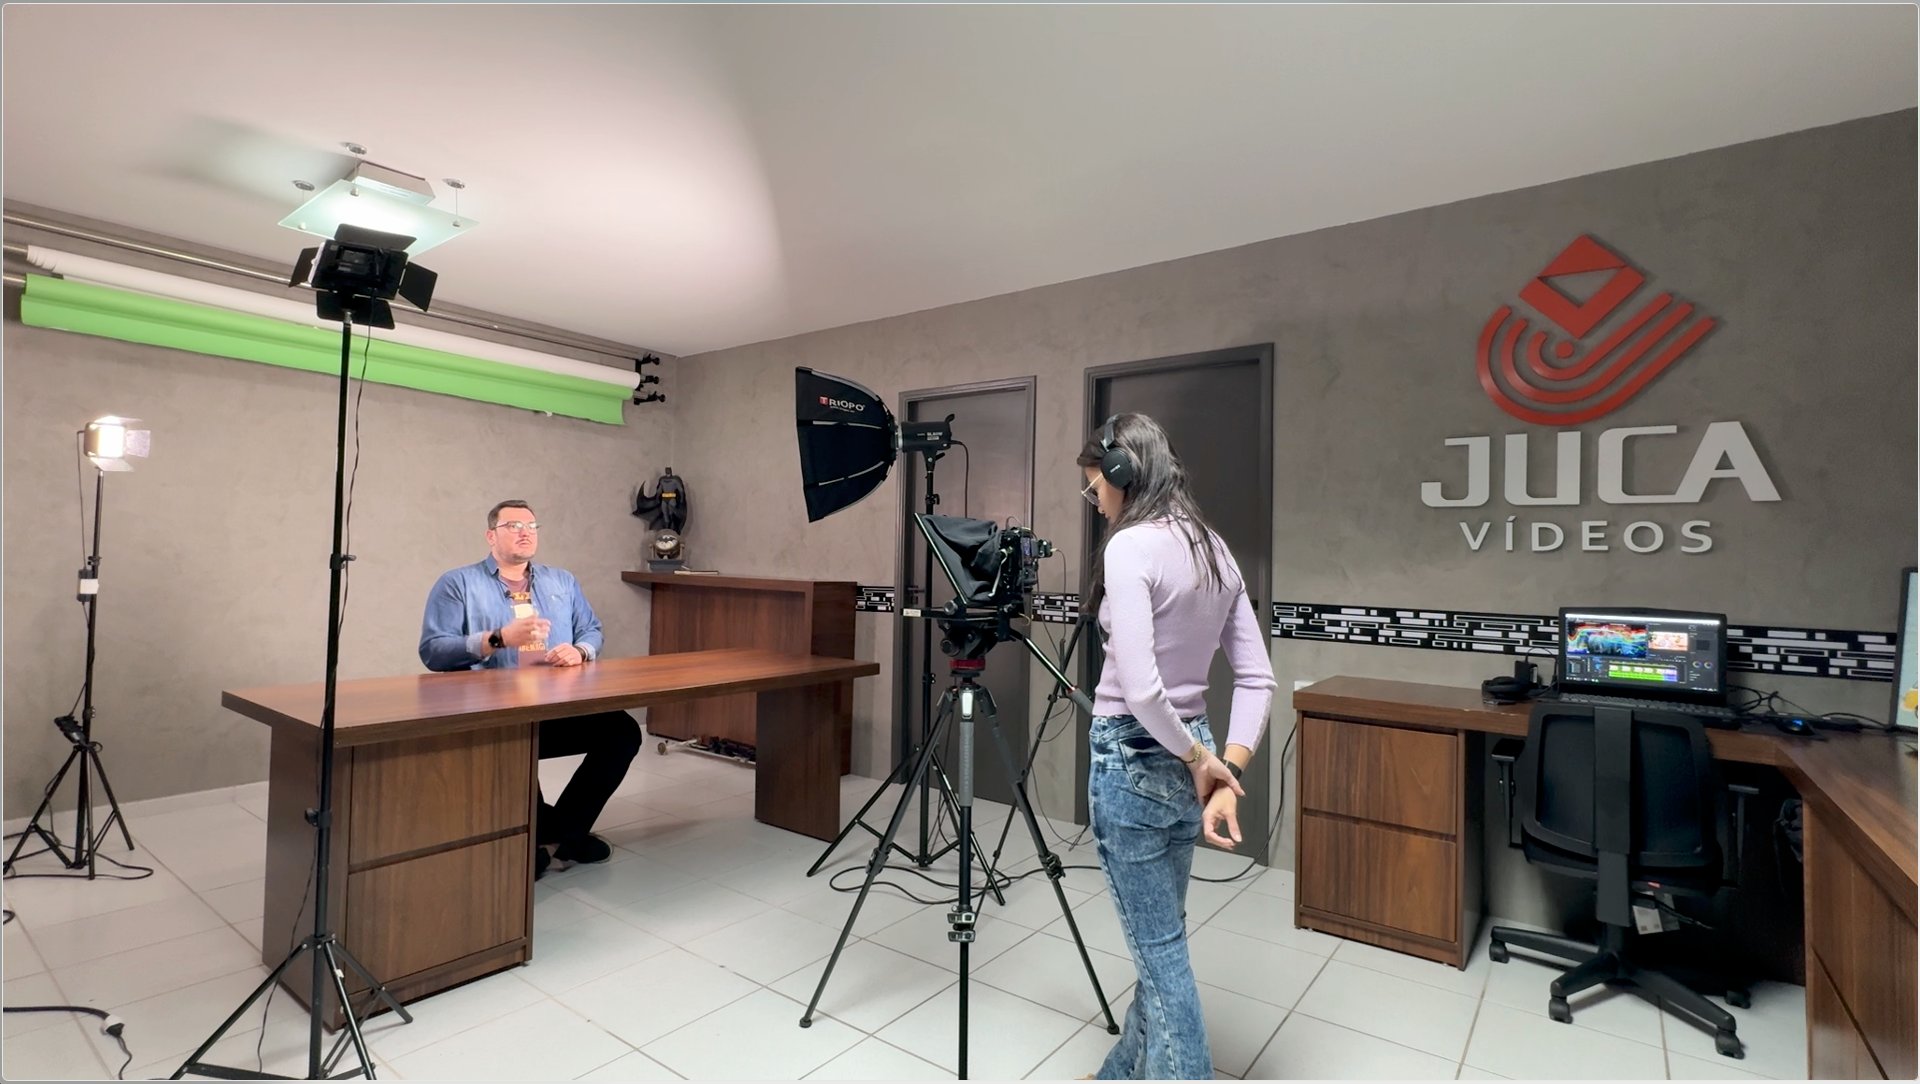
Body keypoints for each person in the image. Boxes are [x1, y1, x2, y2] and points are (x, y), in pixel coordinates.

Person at [1077, 413, 1276, 1080]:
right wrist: (1222, 770)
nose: (1096, 501)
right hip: (1193, 756)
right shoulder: (1215, 548)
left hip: (1134, 758)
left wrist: (1201, 764)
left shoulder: (1129, 548)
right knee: (1159, 942)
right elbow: (1257, 678)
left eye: (1094, 488)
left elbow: (1139, 688)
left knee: (1162, 958)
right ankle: (1121, 1072)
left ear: (1121, 475)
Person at [419, 499, 641, 880]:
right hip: (496, 713)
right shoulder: (458, 583)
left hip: (559, 705)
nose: (525, 532)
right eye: (513, 525)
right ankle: (550, 838)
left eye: (532, 526)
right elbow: (433, 650)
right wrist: (496, 638)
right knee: (516, 744)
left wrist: (580, 650)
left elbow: (591, 629)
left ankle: (556, 835)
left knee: (622, 731)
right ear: (491, 536)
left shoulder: (562, 581)